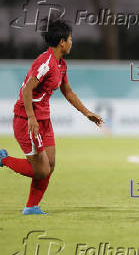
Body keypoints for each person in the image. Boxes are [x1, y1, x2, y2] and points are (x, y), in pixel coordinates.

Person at [0, 19, 103, 215]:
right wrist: (31, 118)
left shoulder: (61, 65)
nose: (72, 42)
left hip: (43, 120)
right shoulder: (45, 62)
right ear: (62, 42)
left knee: (51, 164)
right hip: (27, 120)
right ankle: (3, 159)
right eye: (70, 39)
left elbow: (69, 92)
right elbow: (27, 90)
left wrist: (87, 112)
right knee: (41, 170)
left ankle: (31, 207)